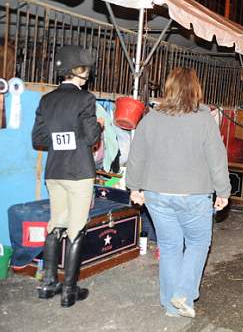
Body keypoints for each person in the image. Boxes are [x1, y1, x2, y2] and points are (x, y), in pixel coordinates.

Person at [126, 68, 230, 318]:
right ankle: (183, 293)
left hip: (157, 195)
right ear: (196, 90)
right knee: (197, 243)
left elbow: (136, 156)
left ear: (169, 88)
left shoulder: (150, 118)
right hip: (194, 195)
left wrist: (134, 188)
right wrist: (223, 191)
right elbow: (216, 159)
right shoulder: (204, 119)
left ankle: (172, 307)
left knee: (170, 247)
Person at [31, 45, 103, 307]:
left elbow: (38, 138)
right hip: (79, 172)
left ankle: (48, 283)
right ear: (80, 72)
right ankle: (70, 290)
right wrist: (98, 126)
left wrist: (63, 139)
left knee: (56, 223)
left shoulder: (46, 100)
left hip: (55, 171)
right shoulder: (86, 99)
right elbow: (92, 138)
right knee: (76, 226)